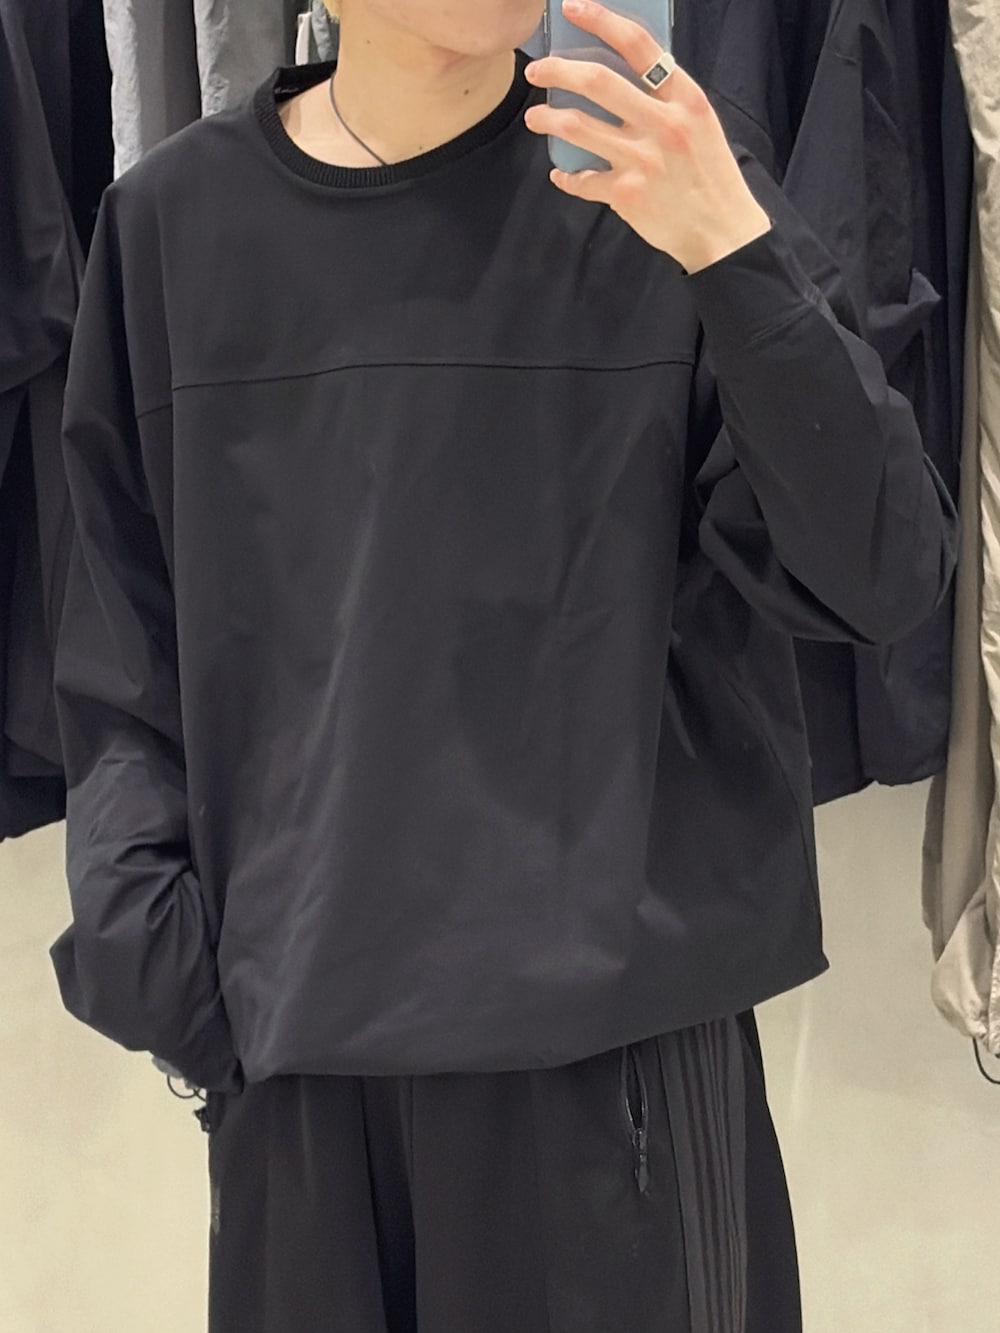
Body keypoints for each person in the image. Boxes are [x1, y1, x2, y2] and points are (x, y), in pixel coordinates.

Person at [49, 0, 956, 1329]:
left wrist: (732, 251)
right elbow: (123, 658)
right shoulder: (172, 229)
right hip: (302, 1088)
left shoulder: (663, 182)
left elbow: (887, 574)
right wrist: (175, 975)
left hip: (614, 1085)